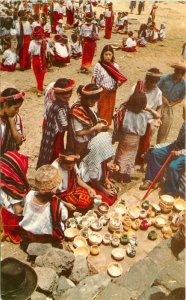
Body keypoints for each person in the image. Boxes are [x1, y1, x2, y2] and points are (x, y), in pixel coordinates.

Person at [140, 105, 186, 196]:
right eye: (183, 112)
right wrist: (175, 147)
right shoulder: (185, 122)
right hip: (177, 146)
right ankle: (150, 180)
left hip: (184, 153)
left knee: (173, 166)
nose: (183, 115)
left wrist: (179, 152)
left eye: (185, 113)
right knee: (155, 153)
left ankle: (171, 192)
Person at [19, 164, 68, 243]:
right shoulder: (55, 204)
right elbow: (64, 216)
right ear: (53, 188)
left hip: (29, 232)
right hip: (43, 236)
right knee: (62, 222)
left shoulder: (30, 194)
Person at [113, 91, 151, 183]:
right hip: (136, 138)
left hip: (126, 136)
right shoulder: (144, 114)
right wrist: (149, 109)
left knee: (122, 154)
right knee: (131, 156)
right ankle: (126, 174)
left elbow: (117, 115)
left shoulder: (126, 112)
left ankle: (119, 173)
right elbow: (157, 116)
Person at [37, 78, 75, 168]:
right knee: (55, 153)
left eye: (69, 96)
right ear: (57, 94)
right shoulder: (59, 108)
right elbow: (64, 126)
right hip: (56, 136)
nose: (67, 99)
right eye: (65, 97)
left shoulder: (60, 103)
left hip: (54, 134)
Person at [130, 68, 162, 165]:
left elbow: (159, 107)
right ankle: (130, 160)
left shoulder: (158, 92)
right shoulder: (138, 86)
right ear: (147, 80)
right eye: (151, 82)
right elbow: (130, 101)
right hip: (135, 114)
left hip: (148, 118)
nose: (153, 85)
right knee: (132, 140)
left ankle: (139, 161)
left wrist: (157, 118)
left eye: (155, 82)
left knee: (145, 142)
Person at [78, 131, 118, 205]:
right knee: (110, 199)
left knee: (113, 194)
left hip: (95, 176)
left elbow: (104, 167)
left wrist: (106, 179)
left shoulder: (101, 149)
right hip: (90, 181)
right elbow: (94, 181)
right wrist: (105, 191)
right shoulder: (94, 160)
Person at [92, 45, 127, 125]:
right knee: (102, 109)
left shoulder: (115, 66)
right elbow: (93, 78)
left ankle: (106, 126)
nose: (108, 57)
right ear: (102, 55)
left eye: (109, 54)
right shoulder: (99, 65)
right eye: (106, 54)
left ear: (112, 55)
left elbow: (120, 78)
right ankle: (100, 126)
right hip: (102, 91)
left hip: (112, 92)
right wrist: (93, 91)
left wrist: (117, 86)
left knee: (110, 109)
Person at [67, 84, 105, 158]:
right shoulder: (77, 111)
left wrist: (97, 120)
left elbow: (90, 117)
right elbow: (79, 132)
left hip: (88, 141)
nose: (94, 104)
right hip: (81, 144)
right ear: (89, 100)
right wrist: (94, 128)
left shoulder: (86, 106)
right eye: (94, 101)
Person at [0, 150, 29, 244]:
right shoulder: (13, 190)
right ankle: (9, 229)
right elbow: (18, 210)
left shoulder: (5, 181)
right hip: (11, 216)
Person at [157, 62, 186, 144]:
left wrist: (172, 104)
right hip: (159, 104)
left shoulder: (184, 84)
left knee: (164, 130)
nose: (179, 74)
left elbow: (181, 98)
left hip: (170, 107)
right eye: (178, 71)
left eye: (182, 73)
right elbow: (156, 89)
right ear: (175, 70)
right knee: (152, 127)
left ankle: (158, 148)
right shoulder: (164, 78)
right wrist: (163, 98)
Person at [0, 88, 26, 155]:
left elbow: (19, 141)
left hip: (7, 160)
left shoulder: (15, 118)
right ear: (5, 104)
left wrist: (11, 122)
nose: (17, 111)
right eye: (15, 108)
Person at [29, 26, 46, 97]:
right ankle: (40, 88)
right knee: (41, 75)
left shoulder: (32, 42)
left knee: (37, 74)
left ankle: (39, 89)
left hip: (35, 59)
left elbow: (30, 51)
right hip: (42, 59)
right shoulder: (44, 42)